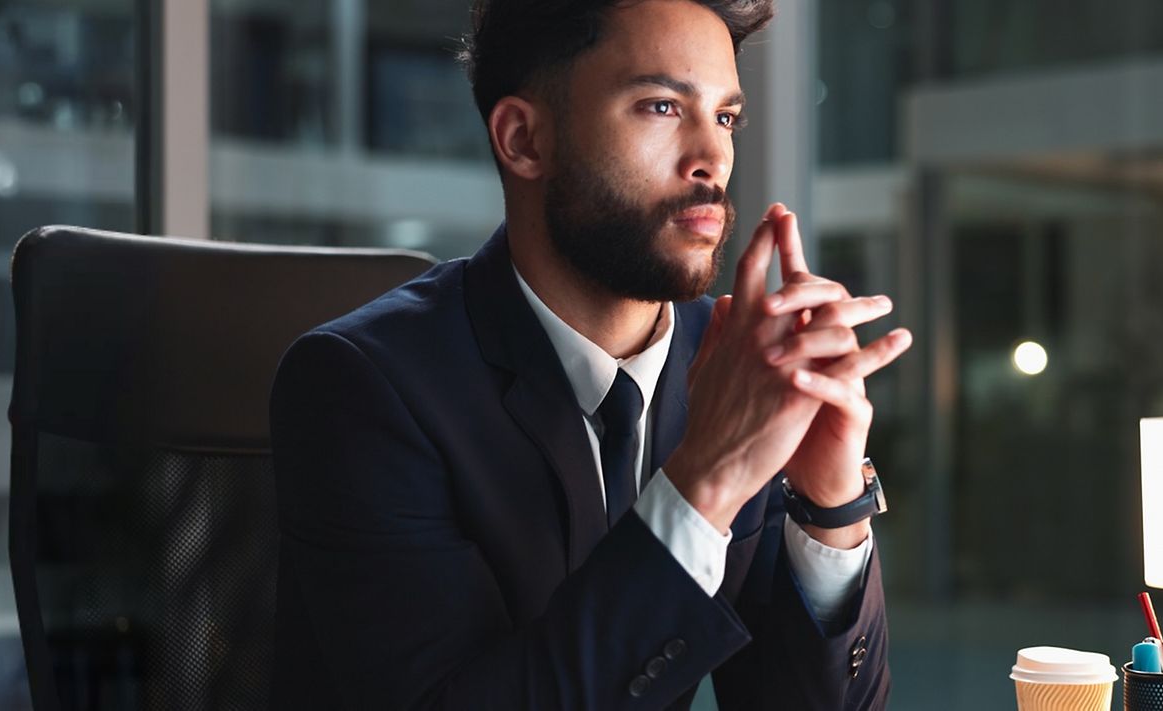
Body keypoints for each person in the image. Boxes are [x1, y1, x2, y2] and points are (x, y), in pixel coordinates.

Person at [268, 0, 908, 707]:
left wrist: (831, 508)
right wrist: (707, 482)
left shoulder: (732, 361)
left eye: (725, 116)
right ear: (524, 139)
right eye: (661, 107)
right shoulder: (360, 388)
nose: (712, 159)